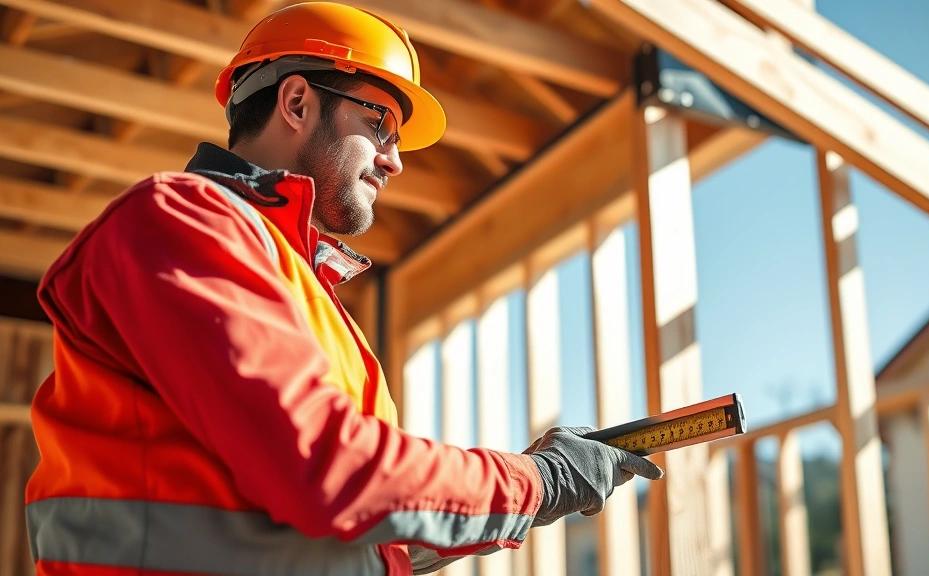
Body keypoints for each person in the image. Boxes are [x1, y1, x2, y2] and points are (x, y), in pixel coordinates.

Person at [25, 3, 662, 575]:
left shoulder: (305, 291)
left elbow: (339, 528)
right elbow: (328, 469)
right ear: (297, 102)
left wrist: (527, 500)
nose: (395, 159)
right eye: (380, 122)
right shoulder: (183, 221)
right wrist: (531, 483)